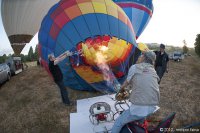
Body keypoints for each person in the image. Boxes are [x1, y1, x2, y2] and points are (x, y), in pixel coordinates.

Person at [111, 51, 160, 133]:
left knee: (118, 123)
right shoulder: (153, 70)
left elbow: (125, 85)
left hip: (139, 108)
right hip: (152, 107)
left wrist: (120, 91)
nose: (139, 57)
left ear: (144, 58)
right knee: (140, 117)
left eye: (141, 55)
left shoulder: (135, 67)